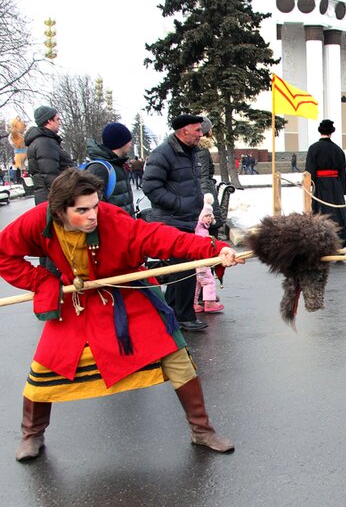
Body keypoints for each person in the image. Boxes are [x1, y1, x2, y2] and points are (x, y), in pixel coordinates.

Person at [0, 168, 244, 461]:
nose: (92, 215)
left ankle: (202, 430)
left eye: (95, 206)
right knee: (45, 367)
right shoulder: (39, 220)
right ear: (59, 211)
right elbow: (4, 254)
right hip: (76, 301)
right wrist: (41, 282)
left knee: (176, 356)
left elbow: (164, 237)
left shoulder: (113, 220)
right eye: (82, 210)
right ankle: (31, 434)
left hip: (126, 294)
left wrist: (215, 248)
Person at [142, 114, 209, 332]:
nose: (201, 134)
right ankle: (183, 316)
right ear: (183, 132)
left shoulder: (189, 152)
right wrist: (178, 203)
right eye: (197, 130)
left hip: (186, 218)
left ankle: (172, 312)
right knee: (184, 269)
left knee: (180, 269)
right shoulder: (163, 153)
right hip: (172, 220)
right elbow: (151, 187)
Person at [305, 119, 346, 246]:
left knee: (322, 212)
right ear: (331, 132)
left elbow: (310, 170)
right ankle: (340, 241)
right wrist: (342, 189)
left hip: (320, 185)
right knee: (337, 214)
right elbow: (343, 171)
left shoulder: (314, 148)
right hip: (335, 185)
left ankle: (322, 243)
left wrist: (310, 186)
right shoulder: (338, 149)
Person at [24, 105, 74, 205]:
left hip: (47, 198)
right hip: (54, 201)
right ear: (49, 121)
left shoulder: (42, 141)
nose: (59, 122)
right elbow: (50, 177)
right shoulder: (45, 143)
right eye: (57, 119)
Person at [85, 122, 136, 216]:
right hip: (113, 228)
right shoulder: (100, 168)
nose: (131, 145)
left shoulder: (118, 164)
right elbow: (94, 206)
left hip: (123, 226)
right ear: (121, 142)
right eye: (129, 141)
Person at [194, 194, 224, 313]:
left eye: (210, 216)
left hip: (197, 261)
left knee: (197, 283)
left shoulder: (201, 227)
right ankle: (210, 302)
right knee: (208, 280)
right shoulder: (200, 229)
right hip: (201, 260)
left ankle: (194, 303)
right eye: (206, 216)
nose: (209, 218)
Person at [197, 117, 224, 238]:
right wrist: (208, 205)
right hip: (207, 194)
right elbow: (202, 177)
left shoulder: (200, 148)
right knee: (211, 230)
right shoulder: (201, 149)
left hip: (206, 190)